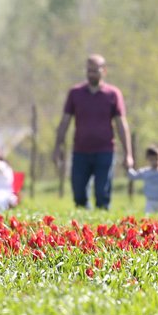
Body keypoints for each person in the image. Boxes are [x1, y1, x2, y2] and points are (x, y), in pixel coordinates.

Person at [54, 54, 133, 210]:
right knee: (78, 193)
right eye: (88, 70)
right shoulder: (75, 93)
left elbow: (121, 125)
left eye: (95, 70)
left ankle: (101, 226)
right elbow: (64, 122)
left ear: (104, 71)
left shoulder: (113, 94)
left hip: (105, 150)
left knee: (102, 192)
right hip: (80, 151)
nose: (91, 74)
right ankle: (83, 227)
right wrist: (57, 148)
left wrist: (128, 153)